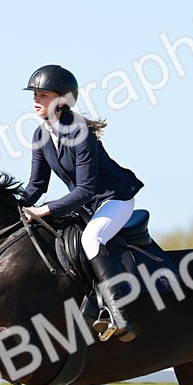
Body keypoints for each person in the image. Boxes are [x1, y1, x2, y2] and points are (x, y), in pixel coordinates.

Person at [18, 64, 144, 341]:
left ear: (62, 101)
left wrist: (45, 209)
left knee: (91, 240)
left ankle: (119, 314)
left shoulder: (79, 133)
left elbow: (86, 189)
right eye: (35, 94)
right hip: (86, 204)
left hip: (114, 199)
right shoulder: (40, 135)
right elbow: (37, 185)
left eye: (43, 95)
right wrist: (14, 205)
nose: (35, 100)